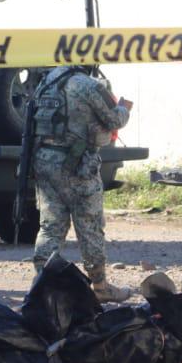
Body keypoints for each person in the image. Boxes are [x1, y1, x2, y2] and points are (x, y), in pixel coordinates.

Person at [29, 65, 133, 300]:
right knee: (90, 223)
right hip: (77, 165)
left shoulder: (47, 81)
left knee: (50, 225)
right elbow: (113, 119)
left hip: (44, 161)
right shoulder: (87, 85)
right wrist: (124, 109)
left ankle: (42, 286)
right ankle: (100, 287)